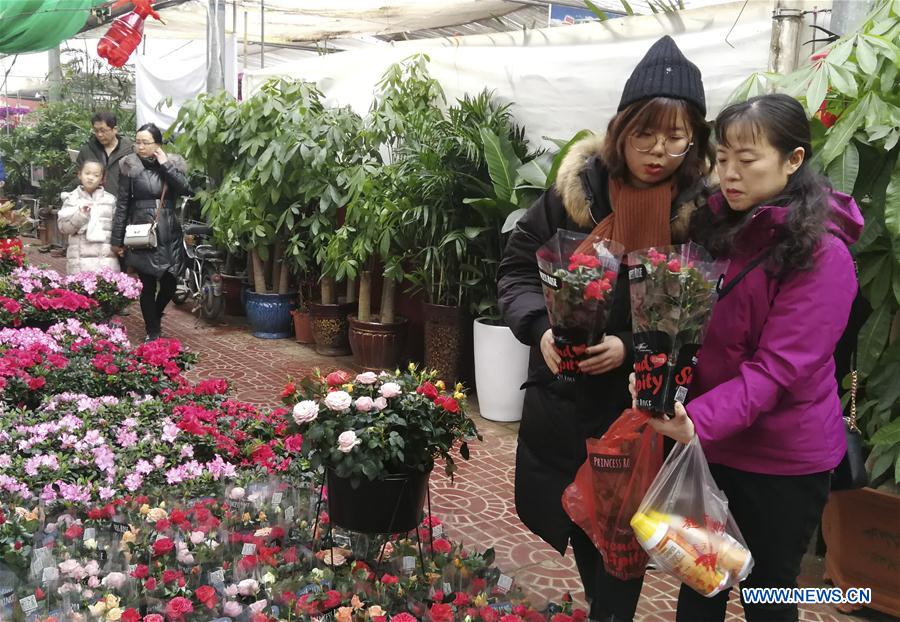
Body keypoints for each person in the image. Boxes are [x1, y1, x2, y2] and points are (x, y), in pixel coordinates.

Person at [497, 36, 712, 622]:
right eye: (646, 133)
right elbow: (517, 269)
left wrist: (635, 348)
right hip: (568, 407)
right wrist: (540, 326)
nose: (659, 150)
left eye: (676, 136)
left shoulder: (704, 212)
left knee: (625, 550)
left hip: (648, 416)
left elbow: (710, 314)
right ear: (621, 129)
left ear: (694, 137)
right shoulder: (577, 196)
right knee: (591, 542)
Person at [635, 93, 862, 622]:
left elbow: (780, 367)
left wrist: (698, 422)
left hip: (782, 459)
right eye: (723, 158)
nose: (729, 174)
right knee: (700, 578)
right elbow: (696, 332)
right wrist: (659, 380)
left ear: (794, 160)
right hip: (711, 447)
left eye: (748, 160)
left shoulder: (823, 254)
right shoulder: (720, 229)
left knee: (770, 591)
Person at [110, 123, 191, 341]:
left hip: (169, 231)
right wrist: (117, 239)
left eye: (146, 142)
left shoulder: (171, 164)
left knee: (171, 281)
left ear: (157, 144)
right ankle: (152, 330)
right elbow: (122, 204)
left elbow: (186, 189)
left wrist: (166, 165)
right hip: (142, 232)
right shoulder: (129, 167)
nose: (140, 146)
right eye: (138, 142)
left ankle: (155, 314)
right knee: (147, 284)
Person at [57, 160, 119, 275]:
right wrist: (80, 216)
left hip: (106, 261)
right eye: (87, 173)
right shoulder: (71, 199)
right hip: (79, 262)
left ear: (102, 179)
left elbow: (118, 228)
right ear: (79, 174)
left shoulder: (110, 200)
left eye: (96, 175)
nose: (91, 178)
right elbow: (63, 228)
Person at [77, 111, 134, 198]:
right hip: (92, 203)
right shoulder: (87, 150)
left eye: (103, 131)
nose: (99, 134)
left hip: (121, 204)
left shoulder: (129, 150)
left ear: (115, 129)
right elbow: (77, 177)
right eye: (96, 131)